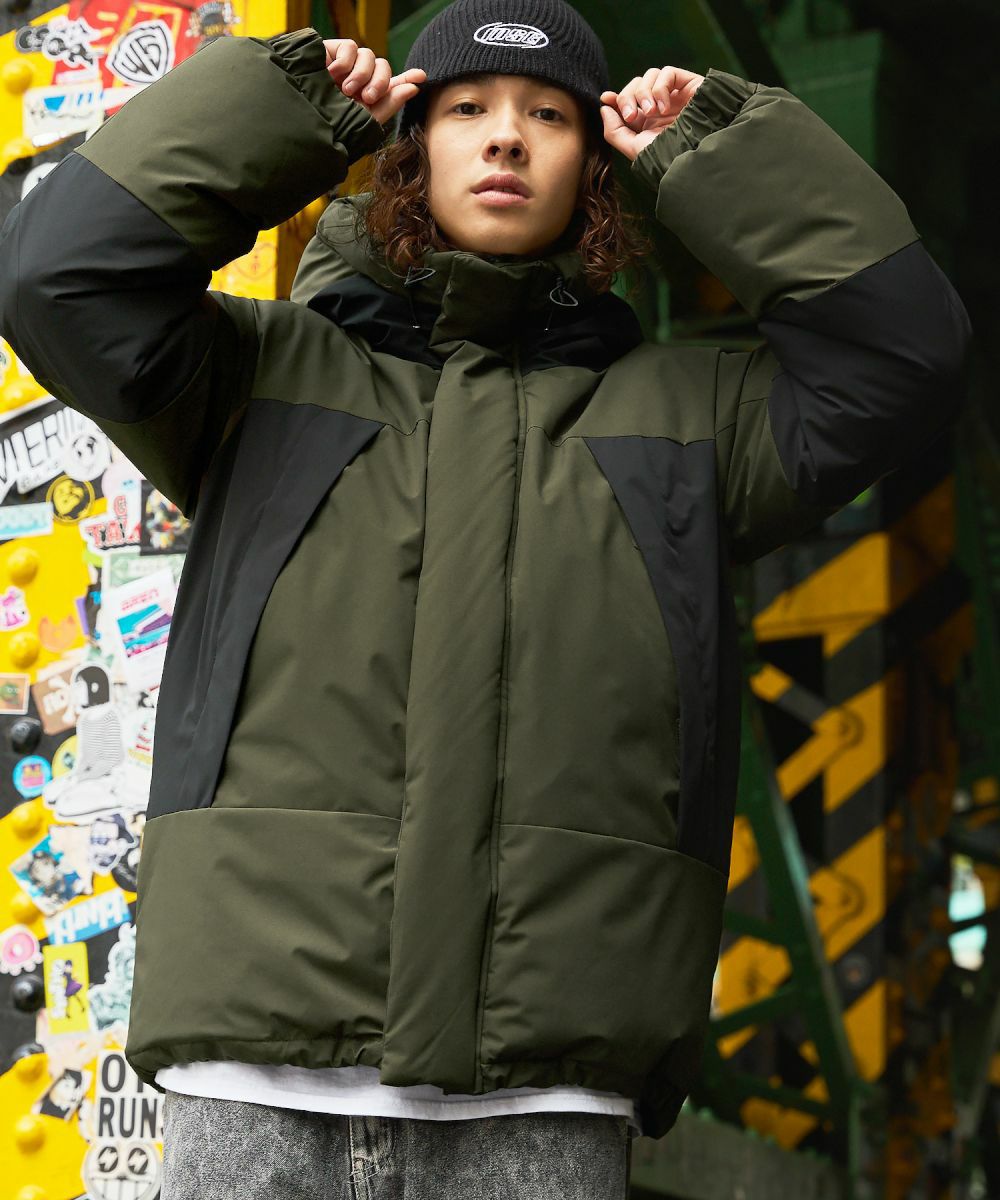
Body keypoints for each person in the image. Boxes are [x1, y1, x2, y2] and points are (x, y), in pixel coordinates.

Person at [0, 0, 971, 1195]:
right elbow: (56, 277)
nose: (505, 135)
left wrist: (722, 152)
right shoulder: (261, 378)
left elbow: (904, 358)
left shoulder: (690, 422)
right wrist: (278, 105)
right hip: (257, 1082)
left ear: (595, 168)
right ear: (410, 150)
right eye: (465, 107)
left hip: (543, 1100)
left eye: (548, 116)